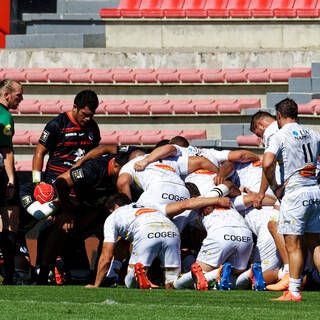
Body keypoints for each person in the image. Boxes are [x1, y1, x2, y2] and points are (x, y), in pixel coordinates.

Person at [85, 192, 232, 289]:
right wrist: (217, 199)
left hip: (145, 232)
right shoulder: (151, 206)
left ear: (115, 207)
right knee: (172, 284)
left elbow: (106, 255)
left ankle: (139, 272)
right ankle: (214, 273)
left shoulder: (113, 217)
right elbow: (185, 204)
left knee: (131, 284)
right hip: (171, 230)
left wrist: (96, 285)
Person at [263, 98, 320, 301]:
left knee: (293, 244)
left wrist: (274, 187)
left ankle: (293, 291)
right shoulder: (314, 133)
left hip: (295, 192)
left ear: (278, 115)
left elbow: (267, 162)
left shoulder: (279, 135)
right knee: (316, 245)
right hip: (315, 191)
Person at [250, 110, 290, 291]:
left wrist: (260, 193)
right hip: (311, 182)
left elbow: (269, 163)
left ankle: (289, 274)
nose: (260, 139)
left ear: (260, 125)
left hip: (294, 186)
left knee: (273, 224)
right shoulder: (299, 130)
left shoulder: (272, 132)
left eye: (258, 135)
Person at [0, 79, 23, 284]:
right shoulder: (5, 116)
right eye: (18, 95)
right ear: (6, 95)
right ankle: (8, 274)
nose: (21, 99)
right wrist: (10, 180)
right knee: (9, 225)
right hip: (0, 174)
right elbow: (6, 150)